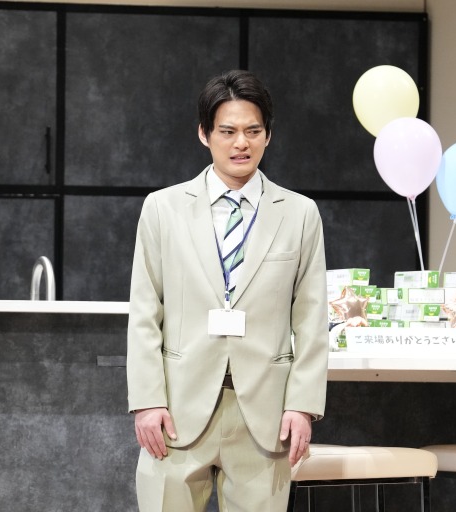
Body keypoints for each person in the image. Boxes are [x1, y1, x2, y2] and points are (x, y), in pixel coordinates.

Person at [127, 69, 328, 511]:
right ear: (204, 134)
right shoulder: (162, 209)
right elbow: (144, 311)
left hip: (266, 416)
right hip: (177, 411)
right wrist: (146, 401)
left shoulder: (299, 213)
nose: (242, 143)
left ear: (268, 135)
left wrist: (302, 405)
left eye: (253, 131)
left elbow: (312, 319)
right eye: (228, 131)